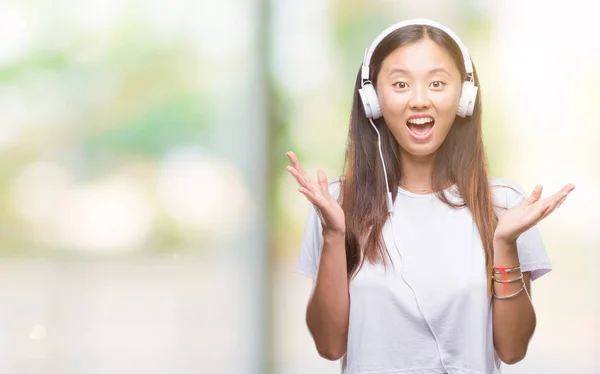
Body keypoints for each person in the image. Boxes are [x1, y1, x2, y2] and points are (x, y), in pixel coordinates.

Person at [285, 18, 575, 374]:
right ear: (372, 99)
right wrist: (333, 235)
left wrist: (505, 243)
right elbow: (329, 346)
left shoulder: (504, 204)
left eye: (437, 83)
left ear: (464, 97)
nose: (419, 100)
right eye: (401, 84)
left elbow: (513, 350)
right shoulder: (336, 202)